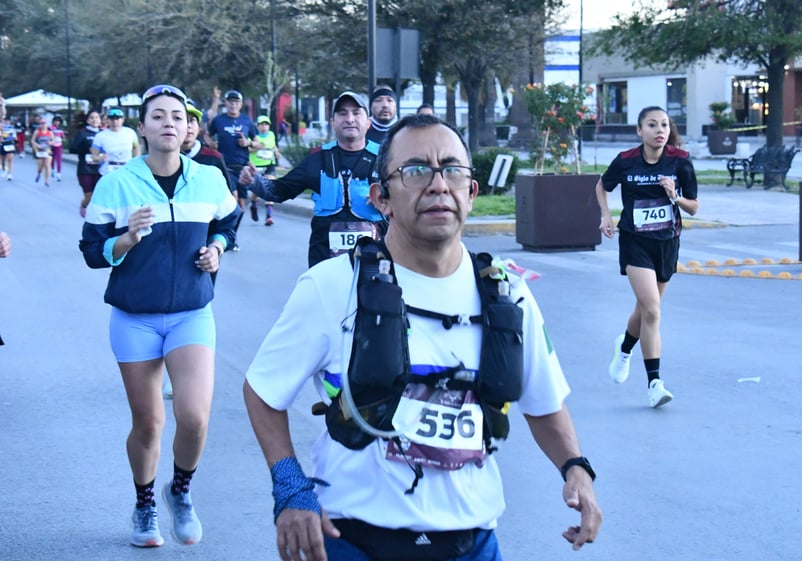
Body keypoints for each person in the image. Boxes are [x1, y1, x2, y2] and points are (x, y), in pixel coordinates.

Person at [243, 114, 602, 561]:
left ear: (471, 193)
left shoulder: (508, 293)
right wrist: (290, 488)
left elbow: (545, 404)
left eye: (453, 170)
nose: (438, 185)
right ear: (382, 199)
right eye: (415, 171)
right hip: (354, 545)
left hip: (473, 545)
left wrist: (576, 469)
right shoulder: (331, 286)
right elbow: (262, 392)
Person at [79, 84, 240, 548]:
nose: (169, 123)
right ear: (143, 128)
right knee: (149, 423)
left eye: (177, 116)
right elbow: (91, 250)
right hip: (135, 317)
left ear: (188, 127)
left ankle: (181, 490)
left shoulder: (208, 179)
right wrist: (125, 240)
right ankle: (145, 504)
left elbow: (227, 222)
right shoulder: (117, 183)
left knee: (194, 416)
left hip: (191, 313)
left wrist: (216, 248)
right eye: (158, 116)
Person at [595, 105, 699, 408]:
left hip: (666, 242)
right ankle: (655, 383)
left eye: (664, 124)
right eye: (652, 125)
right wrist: (606, 216)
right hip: (634, 241)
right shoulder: (627, 161)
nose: (660, 131)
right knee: (652, 309)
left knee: (645, 308)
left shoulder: (680, 161)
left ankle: (624, 347)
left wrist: (675, 196)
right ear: (640, 131)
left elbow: (694, 207)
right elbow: (602, 185)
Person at [240, 91, 383, 267]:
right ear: (333, 122)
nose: (349, 119)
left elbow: (408, 196)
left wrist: (389, 196)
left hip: (376, 259)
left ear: (368, 122)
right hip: (325, 261)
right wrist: (254, 181)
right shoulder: (318, 159)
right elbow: (280, 190)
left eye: (356, 112)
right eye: (342, 113)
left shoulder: (385, 158)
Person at [207, 89, 257, 251]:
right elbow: (207, 135)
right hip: (224, 166)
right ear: (226, 103)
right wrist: (211, 144)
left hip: (242, 167)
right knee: (233, 198)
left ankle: (230, 235)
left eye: (236, 102)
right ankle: (221, 235)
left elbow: (258, 143)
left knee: (241, 205)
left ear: (241, 105)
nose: (233, 105)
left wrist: (248, 144)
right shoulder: (219, 120)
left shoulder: (247, 121)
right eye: (230, 102)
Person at [69, 110, 103, 217]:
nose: (94, 120)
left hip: (100, 169)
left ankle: (96, 216)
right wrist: (87, 149)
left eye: (97, 117)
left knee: (99, 195)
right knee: (89, 196)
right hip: (85, 169)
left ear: (100, 120)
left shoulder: (104, 134)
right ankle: (84, 204)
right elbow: (72, 149)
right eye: (92, 118)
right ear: (88, 120)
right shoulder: (82, 133)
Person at [247, 115, 280, 226]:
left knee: (270, 188)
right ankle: (253, 205)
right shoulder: (252, 135)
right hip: (256, 166)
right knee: (257, 191)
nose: (264, 127)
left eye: (266, 124)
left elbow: (273, 145)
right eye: (262, 124)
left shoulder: (271, 134)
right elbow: (248, 149)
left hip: (269, 164)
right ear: (257, 126)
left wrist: (277, 152)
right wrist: (258, 146)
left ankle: (269, 216)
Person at [89, 108, 141, 177]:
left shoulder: (130, 133)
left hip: (127, 171)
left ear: (122, 119)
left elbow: (136, 147)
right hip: (107, 172)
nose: (115, 122)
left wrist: (136, 160)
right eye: (112, 119)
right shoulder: (100, 136)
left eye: (117, 119)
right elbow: (93, 156)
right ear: (107, 120)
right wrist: (100, 158)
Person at [31, 119, 54, 187]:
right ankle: (39, 174)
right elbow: (32, 140)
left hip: (47, 150)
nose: (43, 125)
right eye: (42, 124)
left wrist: (51, 142)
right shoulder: (37, 132)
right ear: (40, 125)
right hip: (40, 151)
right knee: (40, 167)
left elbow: (53, 140)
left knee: (47, 165)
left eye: (44, 123)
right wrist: (37, 145)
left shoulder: (50, 132)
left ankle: (46, 181)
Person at [49, 115, 66, 181]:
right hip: (51, 145)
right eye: (55, 121)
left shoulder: (61, 129)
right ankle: (52, 170)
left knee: (59, 160)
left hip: (59, 145)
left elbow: (63, 136)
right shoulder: (50, 128)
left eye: (58, 121)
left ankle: (59, 174)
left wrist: (62, 138)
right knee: (52, 159)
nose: (57, 122)